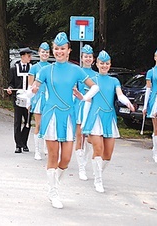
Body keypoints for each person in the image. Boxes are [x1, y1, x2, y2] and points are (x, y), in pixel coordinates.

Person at [31, 32, 99, 209]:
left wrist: (84, 98)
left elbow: (95, 87)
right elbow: (35, 88)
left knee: (66, 158)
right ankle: (53, 192)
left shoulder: (76, 70)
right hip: (51, 115)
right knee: (53, 156)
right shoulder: (46, 70)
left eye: (62, 48)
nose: (59, 51)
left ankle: (54, 184)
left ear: (68, 50)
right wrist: (32, 90)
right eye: (56, 48)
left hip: (68, 116)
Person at [78, 50, 134, 193]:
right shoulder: (92, 79)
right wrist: (84, 122)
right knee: (98, 149)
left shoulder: (114, 80)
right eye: (102, 63)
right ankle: (98, 181)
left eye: (107, 63)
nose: (104, 66)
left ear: (110, 65)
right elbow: (88, 100)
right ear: (97, 64)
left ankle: (98, 173)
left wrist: (128, 103)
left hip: (109, 118)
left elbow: (120, 95)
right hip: (94, 117)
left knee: (107, 155)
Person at [74, 44, 97, 180]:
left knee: (89, 139)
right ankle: (81, 168)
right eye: (85, 56)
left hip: (92, 107)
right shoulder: (77, 73)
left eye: (90, 56)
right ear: (81, 58)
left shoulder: (96, 74)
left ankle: (85, 161)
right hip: (79, 106)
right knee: (80, 137)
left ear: (93, 59)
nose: (88, 59)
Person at [27, 42, 51, 160]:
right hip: (38, 99)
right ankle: (37, 150)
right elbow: (30, 85)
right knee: (39, 124)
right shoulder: (34, 67)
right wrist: (29, 101)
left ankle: (46, 147)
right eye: (43, 52)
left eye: (47, 52)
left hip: (49, 98)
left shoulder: (51, 67)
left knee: (48, 124)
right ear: (39, 53)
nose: (45, 54)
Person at [7, 48, 33, 153]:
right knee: (17, 122)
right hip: (18, 97)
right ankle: (18, 144)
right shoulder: (14, 69)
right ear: (22, 56)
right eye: (28, 56)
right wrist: (9, 88)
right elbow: (11, 83)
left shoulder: (32, 68)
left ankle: (24, 142)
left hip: (29, 98)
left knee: (27, 122)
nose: (30, 58)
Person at [143, 46, 157, 164]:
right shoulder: (150, 72)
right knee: (156, 128)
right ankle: (155, 152)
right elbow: (148, 89)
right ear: (154, 57)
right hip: (154, 100)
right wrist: (145, 106)